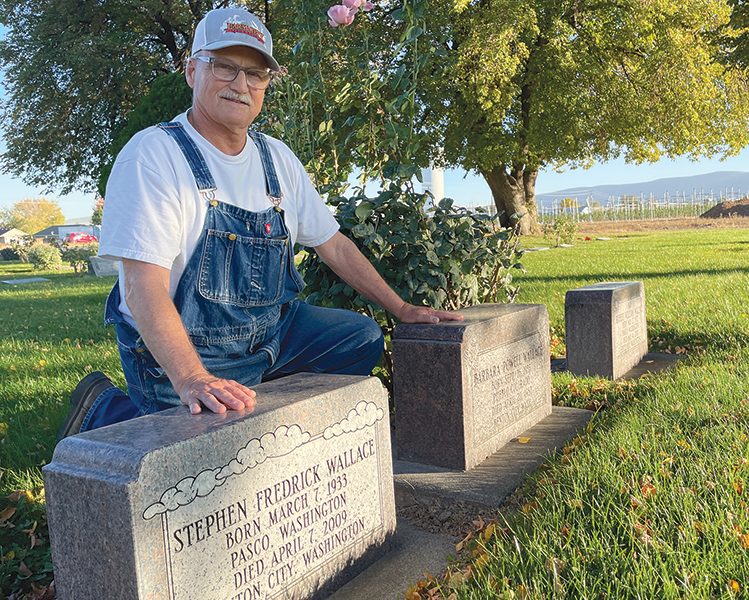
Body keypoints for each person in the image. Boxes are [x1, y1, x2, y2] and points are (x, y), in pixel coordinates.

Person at [59, 7, 461, 438]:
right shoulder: (153, 156)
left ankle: (260, 422)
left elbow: (334, 244)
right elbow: (142, 289)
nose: (241, 84)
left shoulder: (276, 158)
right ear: (192, 70)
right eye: (225, 67)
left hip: (270, 338)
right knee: (206, 443)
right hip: (179, 352)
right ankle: (106, 412)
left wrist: (400, 308)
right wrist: (193, 378)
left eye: (255, 74)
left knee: (358, 338)